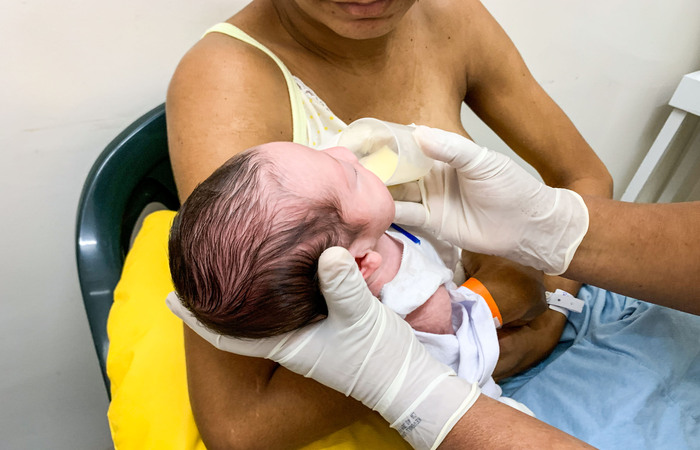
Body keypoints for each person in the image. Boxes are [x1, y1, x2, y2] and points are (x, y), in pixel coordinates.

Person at [157, 0, 613, 447]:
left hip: (528, 328)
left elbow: (583, 175)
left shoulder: (451, 17)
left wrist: (551, 307)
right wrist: (432, 349)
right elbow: (240, 426)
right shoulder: (226, 79)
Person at [167, 141, 548, 413]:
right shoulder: (414, 299)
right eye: (350, 175)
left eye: (320, 153)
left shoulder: (351, 241)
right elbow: (466, 354)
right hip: (474, 403)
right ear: (359, 267)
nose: (343, 151)